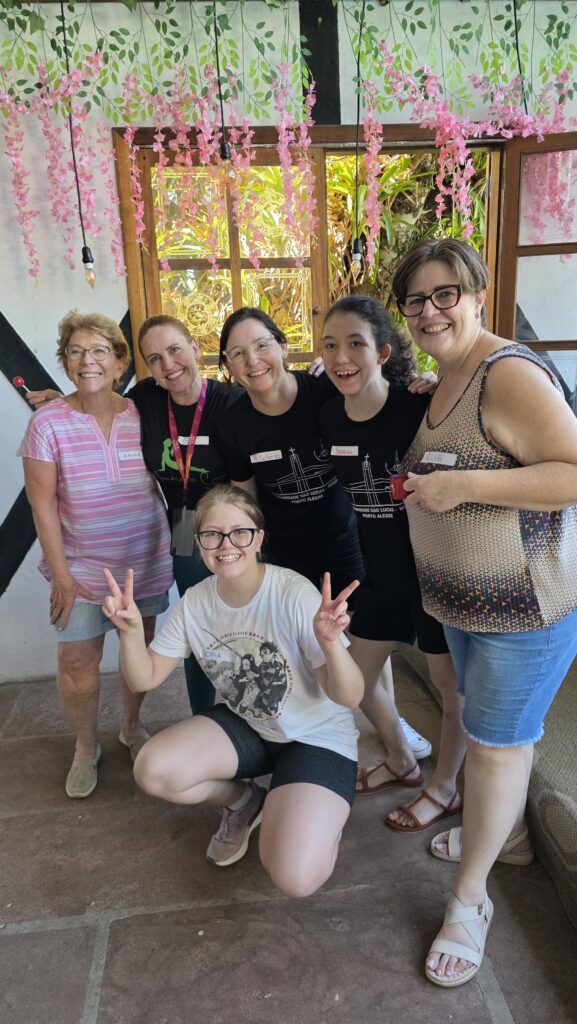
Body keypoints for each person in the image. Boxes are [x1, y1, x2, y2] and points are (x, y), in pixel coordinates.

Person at [391, 237, 577, 987]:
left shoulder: (507, 373)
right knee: (489, 732)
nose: (430, 311)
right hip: (463, 604)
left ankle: (469, 902)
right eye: (415, 300)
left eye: (445, 294)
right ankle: (511, 840)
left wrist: (466, 487)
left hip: (524, 611)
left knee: (498, 746)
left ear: (476, 294)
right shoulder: (448, 374)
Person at [102, 484, 363, 895]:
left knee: (294, 877)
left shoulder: (292, 592)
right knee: (152, 769)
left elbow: (349, 696)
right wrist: (132, 633)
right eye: (212, 534)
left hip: (316, 738)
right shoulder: (195, 602)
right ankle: (245, 801)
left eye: (240, 532)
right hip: (252, 726)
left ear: (258, 538)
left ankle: (311, 812)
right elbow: (144, 677)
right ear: (199, 543)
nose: (226, 545)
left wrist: (330, 644)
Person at [216, 306, 431, 761]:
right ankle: (335, 734)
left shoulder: (323, 390)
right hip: (287, 554)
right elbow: (244, 499)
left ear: (283, 347)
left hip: (347, 542)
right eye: (237, 353)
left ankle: (392, 726)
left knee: (368, 641)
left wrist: (424, 383)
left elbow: (374, 402)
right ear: (228, 365)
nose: (253, 360)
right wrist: (246, 560)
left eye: (261, 345)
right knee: (314, 652)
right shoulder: (234, 423)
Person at [28, 314, 236, 715]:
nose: (168, 364)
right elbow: (93, 396)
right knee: (196, 623)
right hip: (183, 527)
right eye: (154, 358)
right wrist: (63, 402)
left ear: (195, 349)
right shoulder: (148, 400)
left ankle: (260, 717)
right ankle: (203, 717)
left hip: (230, 531)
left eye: (175, 350)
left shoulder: (230, 398)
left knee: (243, 619)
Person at [319, 295, 465, 828]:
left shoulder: (417, 406)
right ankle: (403, 760)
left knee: (452, 692)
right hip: (376, 577)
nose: (341, 357)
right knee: (348, 684)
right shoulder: (327, 417)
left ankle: (445, 787)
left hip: (432, 578)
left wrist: (432, 381)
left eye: (355, 343)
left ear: (382, 352)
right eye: (330, 345)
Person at [18, 311, 173, 798]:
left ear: (120, 363)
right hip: (81, 568)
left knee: (137, 653)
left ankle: (130, 726)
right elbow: (42, 505)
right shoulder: (47, 422)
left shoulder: (142, 413)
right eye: (76, 352)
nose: (88, 361)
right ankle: (86, 746)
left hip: (143, 560)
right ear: (65, 362)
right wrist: (61, 575)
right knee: (76, 664)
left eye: (100, 351)